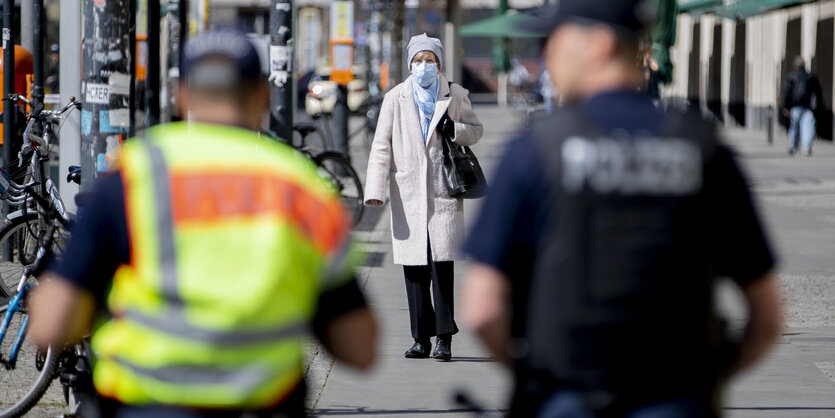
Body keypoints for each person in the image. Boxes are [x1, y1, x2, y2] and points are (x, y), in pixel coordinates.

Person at [29, 29, 377, 417]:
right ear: (263, 96)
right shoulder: (300, 188)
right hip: (261, 404)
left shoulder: (136, 175)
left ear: (182, 95)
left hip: (145, 405)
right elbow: (360, 347)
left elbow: (50, 324)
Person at [461, 1, 784, 417]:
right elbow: (768, 314)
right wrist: (707, 380)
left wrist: (534, 378)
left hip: (566, 396)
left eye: (553, 40)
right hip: (676, 399)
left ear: (599, 44)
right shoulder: (703, 149)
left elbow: (481, 308)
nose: (546, 55)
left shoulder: (535, 151)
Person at [364, 33, 483, 361]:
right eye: (418, 61)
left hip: (443, 190)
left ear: (439, 64)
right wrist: (374, 190)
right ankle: (421, 339)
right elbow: (380, 145)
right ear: (409, 64)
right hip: (409, 194)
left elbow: (476, 129)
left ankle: (444, 338)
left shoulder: (454, 94)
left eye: (429, 60)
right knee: (415, 269)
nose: (423, 66)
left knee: (442, 267)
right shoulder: (396, 97)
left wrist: (454, 128)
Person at [781, 56, 821, 156]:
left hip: (795, 106)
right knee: (808, 127)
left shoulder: (791, 76)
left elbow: (787, 92)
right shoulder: (810, 76)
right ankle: (806, 148)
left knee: (794, 127)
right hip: (808, 107)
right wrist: (817, 106)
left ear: (795, 66)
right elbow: (817, 93)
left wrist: (786, 107)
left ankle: (794, 147)